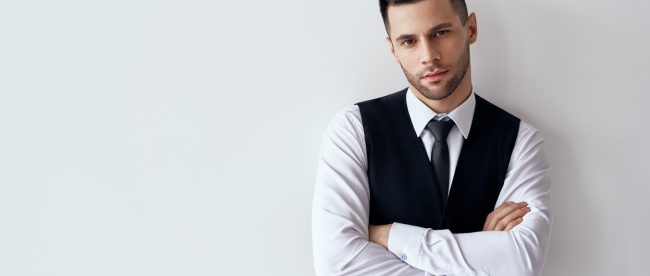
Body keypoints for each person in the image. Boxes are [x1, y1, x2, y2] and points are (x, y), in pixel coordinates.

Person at [311, 0, 552, 275]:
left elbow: (520, 263)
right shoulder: (353, 130)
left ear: (471, 29)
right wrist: (483, 258)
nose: (428, 56)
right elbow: (337, 266)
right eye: (409, 41)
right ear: (393, 49)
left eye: (440, 33)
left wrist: (389, 236)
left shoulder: (520, 141)